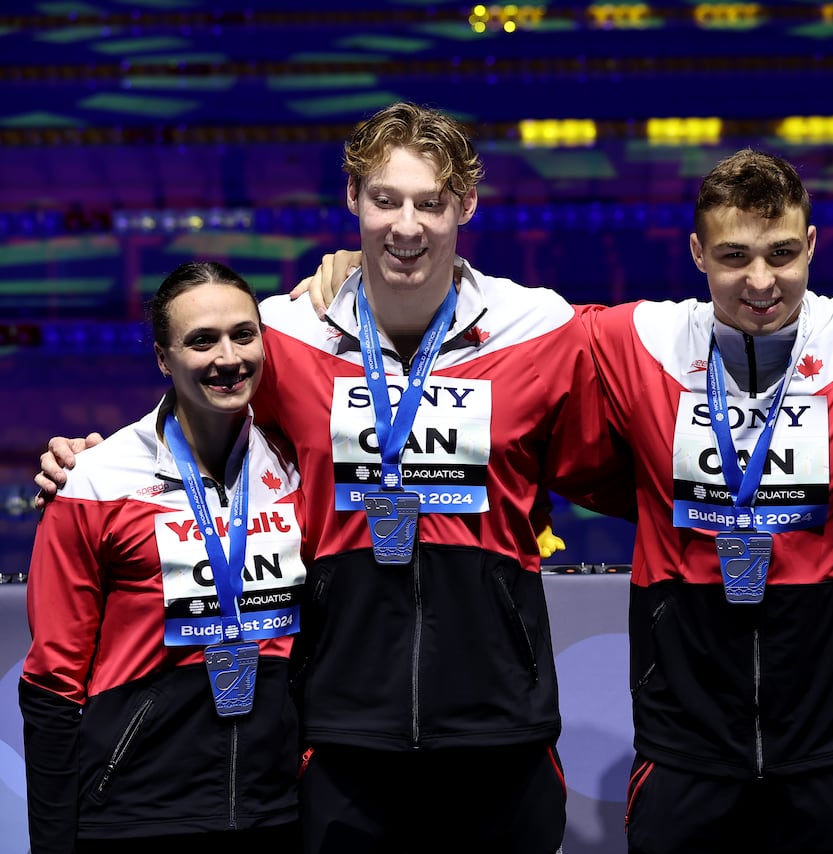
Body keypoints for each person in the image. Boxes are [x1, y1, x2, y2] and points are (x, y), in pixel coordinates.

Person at [287, 149, 833, 853]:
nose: (761, 281)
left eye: (781, 254)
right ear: (696, 254)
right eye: (734, 257)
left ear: (810, 245)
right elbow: (475, 315)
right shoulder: (631, 337)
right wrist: (354, 268)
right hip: (687, 745)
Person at [34, 102, 632, 854]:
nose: (406, 226)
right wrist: (90, 459)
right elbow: (199, 403)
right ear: (352, 199)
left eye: (429, 203)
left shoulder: (539, 327)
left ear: (467, 206)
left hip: (500, 730)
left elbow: (607, 461)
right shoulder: (285, 333)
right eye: (385, 200)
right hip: (343, 735)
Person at [20, 261, 306, 854]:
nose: (228, 357)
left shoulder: (296, 466)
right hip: (137, 814)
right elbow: (52, 682)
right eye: (201, 340)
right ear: (163, 357)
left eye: (243, 334)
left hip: (277, 810)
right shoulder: (96, 481)